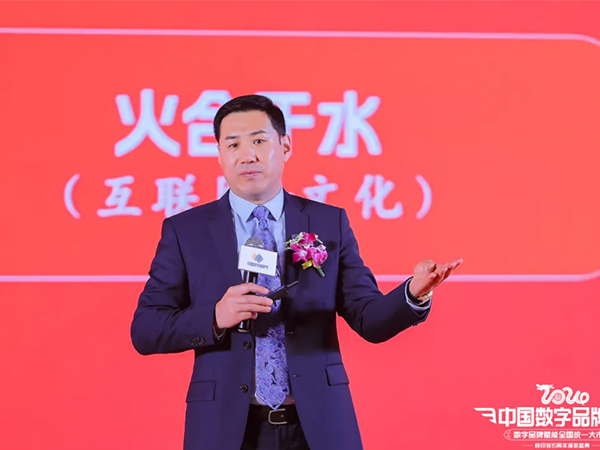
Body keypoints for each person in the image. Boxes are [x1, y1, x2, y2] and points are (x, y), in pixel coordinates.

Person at [131, 94, 462, 450]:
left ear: (285, 146)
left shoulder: (327, 222)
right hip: (226, 430)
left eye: (259, 141)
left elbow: (369, 319)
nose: (247, 155)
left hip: (317, 427)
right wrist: (214, 317)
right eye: (233, 144)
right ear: (220, 154)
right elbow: (146, 330)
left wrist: (413, 293)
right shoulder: (187, 231)